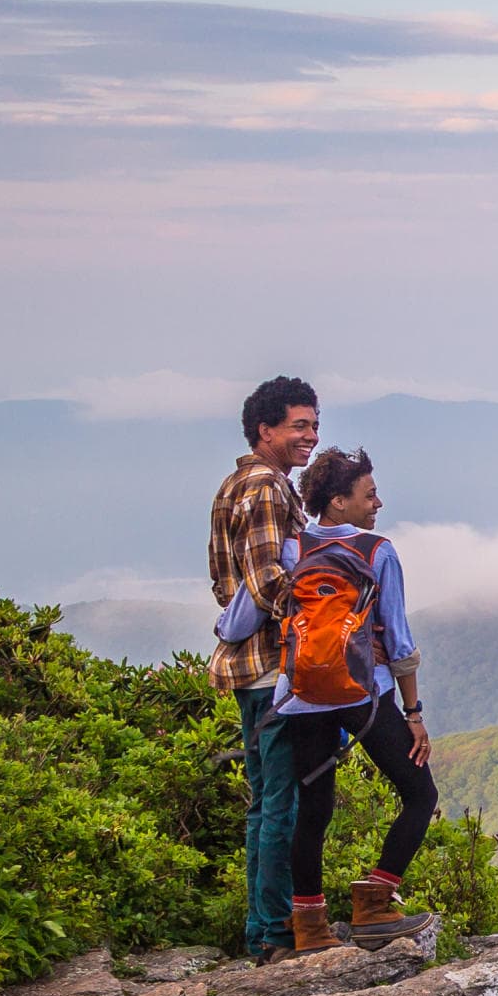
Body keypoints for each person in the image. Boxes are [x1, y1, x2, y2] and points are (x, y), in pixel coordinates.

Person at [216, 444, 438, 954]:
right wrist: (414, 712)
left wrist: (224, 626)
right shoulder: (377, 551)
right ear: (338, 501)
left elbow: (249, 610)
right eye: (369, 493)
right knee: (420, 794)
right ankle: (375, 900)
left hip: (300, 696)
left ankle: (310, 928)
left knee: (312, 809)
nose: (377, 502)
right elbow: (399, 643)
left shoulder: (293, 549)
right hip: (366, 692)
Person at [208, 375, 316, 963]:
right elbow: (270, 579)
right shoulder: (269, 488)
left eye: (314, 425)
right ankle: (273, 934)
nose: (310, 436)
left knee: (264, 802)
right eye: (298, 425)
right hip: (274, 667)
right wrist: (322, 617)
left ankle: (262, 928)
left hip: (247, 667)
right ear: (265, 430)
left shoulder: (234, 484)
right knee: (282, 802)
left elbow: (224, 582)